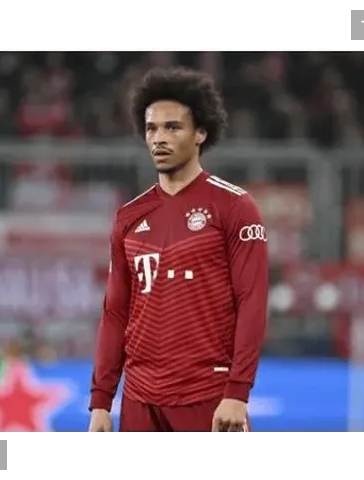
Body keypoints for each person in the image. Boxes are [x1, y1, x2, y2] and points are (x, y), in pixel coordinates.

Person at [88, 67, 269, 432]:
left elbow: (252, 302)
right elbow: (115, 313)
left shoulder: (234, 206)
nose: (159, 138)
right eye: (151, 128)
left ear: (201, 133)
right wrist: (101, 402)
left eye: (172, 127)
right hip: (140, 399)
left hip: (208, 393)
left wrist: (237, 392)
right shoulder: (128, 217)